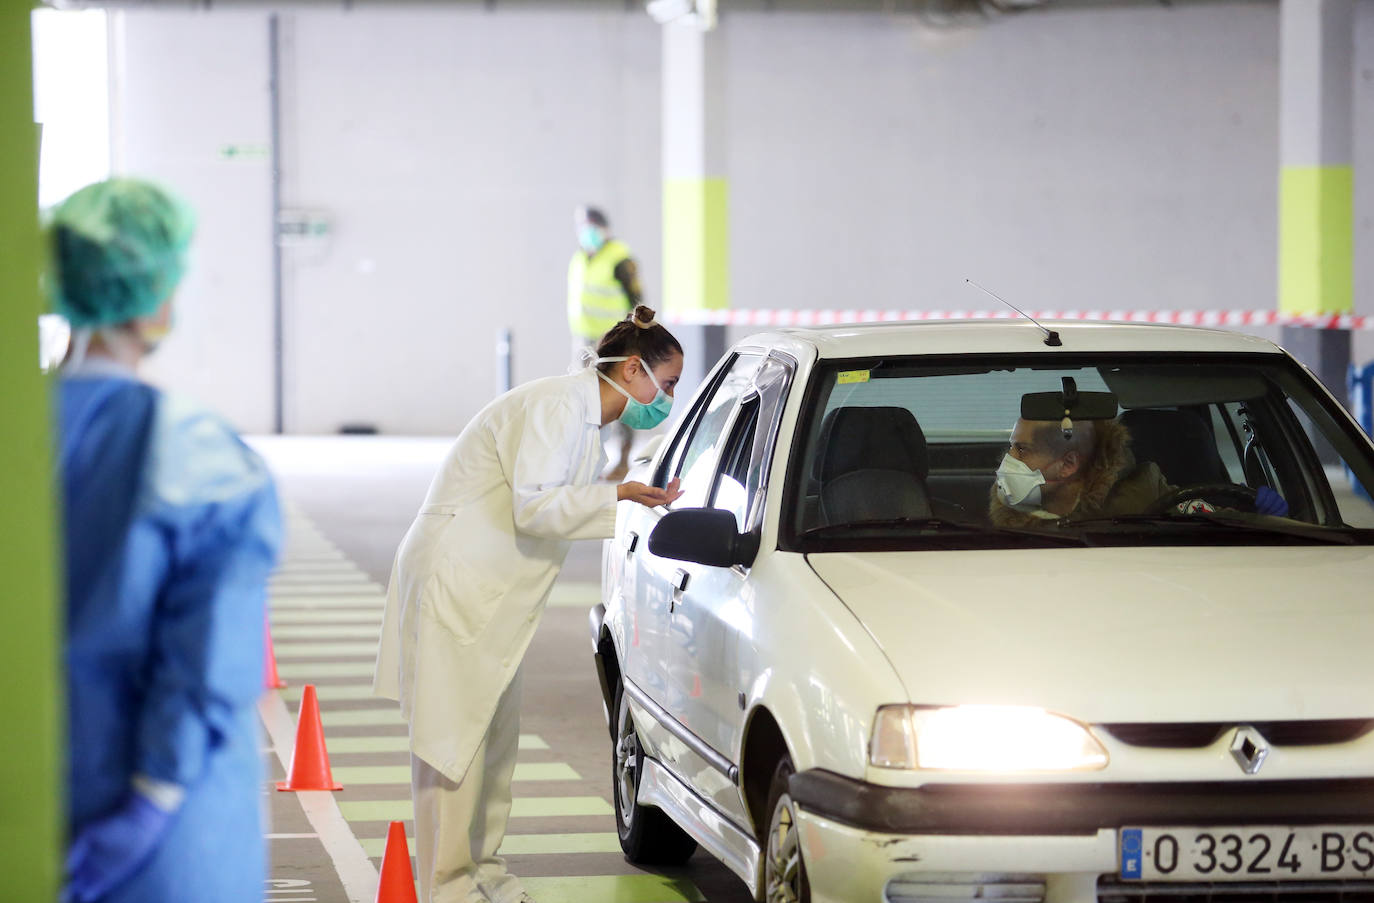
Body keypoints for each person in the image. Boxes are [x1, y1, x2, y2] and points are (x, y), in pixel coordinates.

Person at [373, 304, 684, 903]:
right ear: (633, 369)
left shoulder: (583, 420)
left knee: (494, 740)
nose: (667, 399)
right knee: (454, 740)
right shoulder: (558, 406)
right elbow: (536, 506)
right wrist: (619, 495)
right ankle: (447, 885)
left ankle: (483, 870)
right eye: (666, 384)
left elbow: (553, 502)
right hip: (458, 582)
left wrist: (621, 495)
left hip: (489, 593)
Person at [49, 178, 282, 903]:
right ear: (158, 300)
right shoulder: (196, 456)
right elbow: (208, 660)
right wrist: (148, 805)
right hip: (171, 848)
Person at [567, 205, 643, 480]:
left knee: (618, 398)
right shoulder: (580, 258)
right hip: (584, 342)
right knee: (585, 401)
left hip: (613, 342)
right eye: (582, 227)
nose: (586, 232)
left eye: (591, 226)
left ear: (604, 228)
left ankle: (623, 458)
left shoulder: (620, 258)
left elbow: (637, 300)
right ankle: (589, 461)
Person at [990, 416, 1173, 526]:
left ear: (1068, 465)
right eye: (1011, 447)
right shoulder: (1005, 518)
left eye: (1022, 449)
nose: (1008, 460)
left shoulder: (1147, 497)